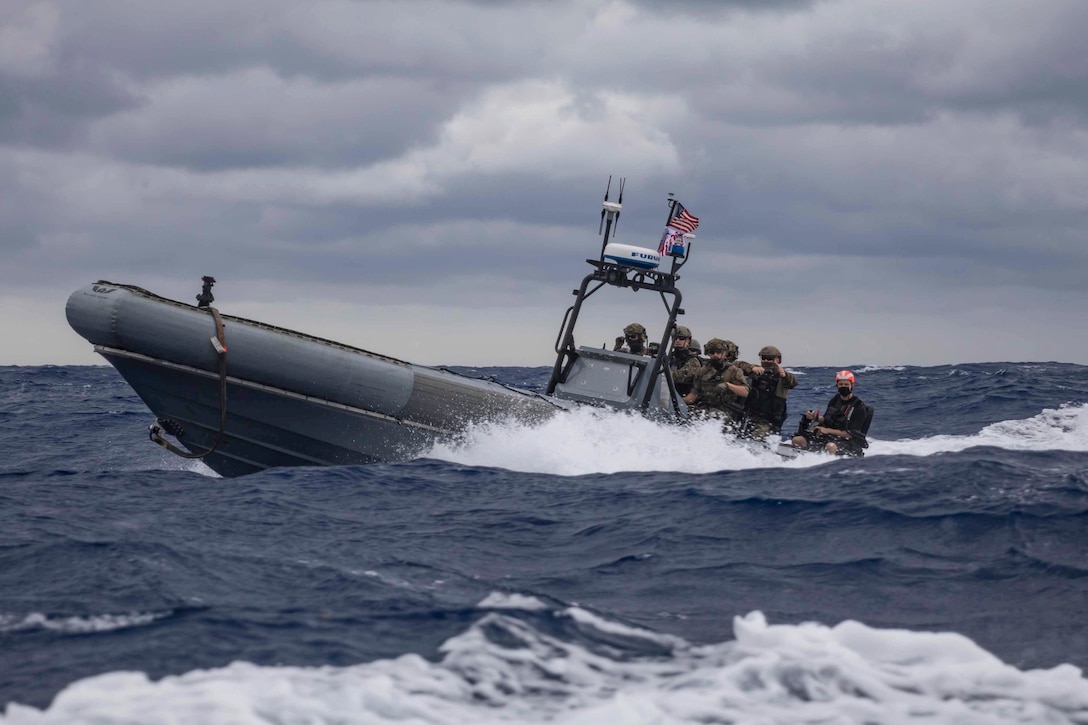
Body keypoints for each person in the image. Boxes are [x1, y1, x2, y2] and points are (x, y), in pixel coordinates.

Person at [791, 370, 873, 457]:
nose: (843, 386)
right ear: (837, 385)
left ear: (852, 385)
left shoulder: (858, 407)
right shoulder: (835, 400)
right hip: (829, 437)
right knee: (798, 440)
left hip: (848, 442)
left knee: (830, 447)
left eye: (846, 385)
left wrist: (827, 430)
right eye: (841, 384)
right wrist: (815, 417)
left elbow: (851, 434)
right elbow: (826, 419)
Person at [683, 338, 749, 427]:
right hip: (704, 407)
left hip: (725, 411)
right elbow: (693, 395)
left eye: (719, 352)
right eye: (712, 352)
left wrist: (727, 385)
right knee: (685, 414)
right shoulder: (702, 372)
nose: (716, 355)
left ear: (725, 353)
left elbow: (745, 392)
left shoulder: (734, 371)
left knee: (712, 416)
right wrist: (679, 403)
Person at [742, 345, 798, 440]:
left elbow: (792, 383)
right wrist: (751, 368)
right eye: (764, 358)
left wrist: (783, 375)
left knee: (759, 438)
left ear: (778, 359)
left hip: (770, 418)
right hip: (751, 414)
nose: (766, 361)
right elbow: (736, 365)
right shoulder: (756, 372)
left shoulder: (782, 376)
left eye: (770, 359)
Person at [669, 325, 702, 396]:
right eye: (675, 338)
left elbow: (679, 377)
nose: (677, 340)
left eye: (681, 338)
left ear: (688, 340)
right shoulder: (668, 357)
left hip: (683, 399)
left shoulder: (693, 360)